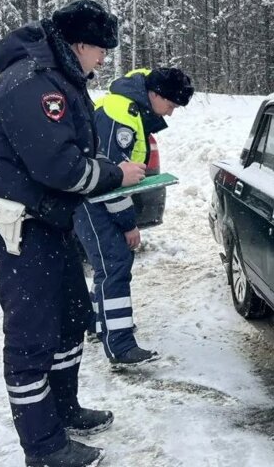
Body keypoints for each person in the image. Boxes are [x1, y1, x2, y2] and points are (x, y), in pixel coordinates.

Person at [0, 0, 147, 467]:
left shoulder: (59, 78)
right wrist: (117, 175)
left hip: (52, 224)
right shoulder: (30, 83)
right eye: (100, 51)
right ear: (79, 44)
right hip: (23, 229)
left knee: (72, 320)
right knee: (32, 339)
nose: (103, 61)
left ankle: (64, 410)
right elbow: (59, 166)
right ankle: (44, 448)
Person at [75, 67, 193, 366]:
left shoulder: (127, 107)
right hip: (92, 200)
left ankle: (97, 323)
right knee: (114, 263)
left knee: (108, 264)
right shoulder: (121, 116)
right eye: (170, 105)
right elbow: (111, 181)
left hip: (91, 196)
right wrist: (129, 225)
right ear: (154, 94)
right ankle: (120, 345)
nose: (171, 113)